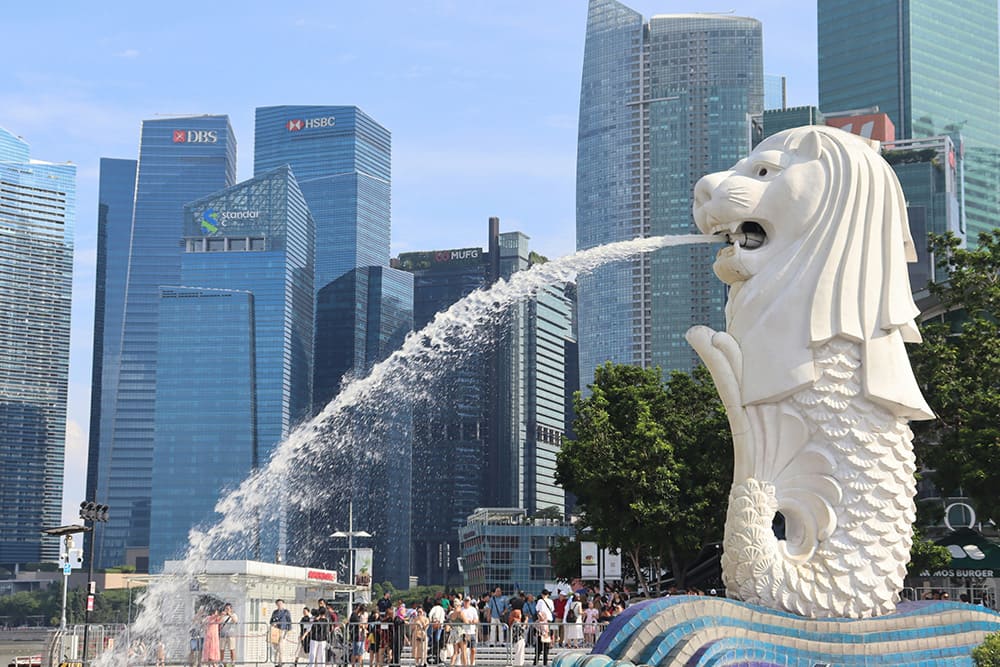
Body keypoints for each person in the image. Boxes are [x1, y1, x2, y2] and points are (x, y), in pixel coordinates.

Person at [271, 599, 293, 667]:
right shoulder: (274, 612)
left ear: (283, 604)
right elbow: (271, 621)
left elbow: (289, 621)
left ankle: (281, 661)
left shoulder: (286, 612)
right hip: (275, 631)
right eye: (278, 604)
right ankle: (276, 662)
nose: (279, 605)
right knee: (275, 647)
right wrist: (273, 624)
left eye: (281, 603)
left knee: (281, 646)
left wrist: (289, 630)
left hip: (283, 630)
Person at [533, 592, 552, 666]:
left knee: (542, 651)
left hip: (543, 637)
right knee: (541, 650)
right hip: (542, 637)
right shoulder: (542, 622)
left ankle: (542, 663)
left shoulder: (539, 621)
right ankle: (540, 663)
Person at [460, 597, 479, 665]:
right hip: (464, 632)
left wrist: (474, 621)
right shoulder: (461, 610)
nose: (466, 602)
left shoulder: (473, 609)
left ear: (470, 601)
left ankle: (472, 663)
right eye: (465, 601)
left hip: (472, 631)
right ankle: (464, 664)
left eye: (468, 601)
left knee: (473, 650)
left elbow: (476, 619)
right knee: (464, 650)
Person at [219, 603, 239, 667]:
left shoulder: (234, 615)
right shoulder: (223, 615)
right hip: (223, 634)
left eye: (228, 608)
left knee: (232, 649)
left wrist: (230, 615)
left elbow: (235, 621)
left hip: (231, 634)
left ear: (231, 609)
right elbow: (218, 622)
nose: (226, 610)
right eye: (225, 608)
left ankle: (233, 662)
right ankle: (221, 662)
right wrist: (221, 615)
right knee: (222, 649)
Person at [427, 597, 446, 664]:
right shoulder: (442, 609)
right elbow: (443, 617)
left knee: (430, 634)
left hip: (434, 623)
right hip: (440, 624)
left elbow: (430, 614)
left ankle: (431, 643)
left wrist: (431, 621)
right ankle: (436, 645)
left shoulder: (434, 608)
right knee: (438, 637)